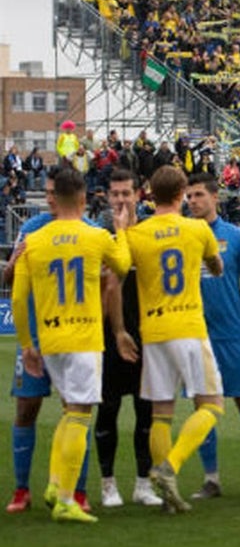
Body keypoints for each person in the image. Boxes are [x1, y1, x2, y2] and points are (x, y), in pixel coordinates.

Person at [11, 166, 132, 522]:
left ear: (55, 198)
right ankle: (66, 499)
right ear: (82, 199)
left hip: (49, 341)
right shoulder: (95, 236)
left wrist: (27, 344)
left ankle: (53, 484)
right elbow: (122, 265)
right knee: (80, 414)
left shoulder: (33, 241)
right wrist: (122, 232)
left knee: (69, 413)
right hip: (84, 337)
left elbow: (18, 299)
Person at [124, 165, 225, 513]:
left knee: (161, 414)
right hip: (189, 327)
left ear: (150, 194)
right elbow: (216, 266)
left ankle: (167, 493)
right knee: (212, 404)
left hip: (153, 332)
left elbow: (120, 269)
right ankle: (171, 466)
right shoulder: (198, 229)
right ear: (182, 193)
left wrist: (124, 231)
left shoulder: (137, 234)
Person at [5, 167, 95, 513]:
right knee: (26, 408)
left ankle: (77, 492)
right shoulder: (31, 229)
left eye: (54, 192)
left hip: (73, 334)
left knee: (75, 410)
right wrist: (15, 260)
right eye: (46, 192)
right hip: (35, 336)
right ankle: (21, 490)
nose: (49, 198)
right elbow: (9, 276)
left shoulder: (90, 232)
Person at [185, 173, 240, 499]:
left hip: (232, 336)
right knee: (202, 408)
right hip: (194, 335)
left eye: (198, 195)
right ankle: (211, 479)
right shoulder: (181, 234)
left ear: (215, 197)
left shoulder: (235, 237)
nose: (192, 201)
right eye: (189, 196)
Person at [94, 169, 163, 508]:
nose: (121, 200)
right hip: (108, 338)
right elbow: (107, 287)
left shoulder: (151, 233)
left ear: (139, 195)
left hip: (148, 336)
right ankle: (108, 484)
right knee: (107, 411)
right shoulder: (102, 237)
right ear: (108, 196)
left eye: (126, 193)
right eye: (115, 194)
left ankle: (142, 483)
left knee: (145, 412)